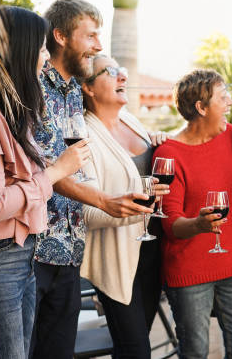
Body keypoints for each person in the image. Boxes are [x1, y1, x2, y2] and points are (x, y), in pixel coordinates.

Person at [31, 0, 150, 359]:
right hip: (34, 251)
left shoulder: (71, 93)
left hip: (69, 252)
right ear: (61, 36)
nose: (99, 45)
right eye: (91, 36)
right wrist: (105, 202)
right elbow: (44, 168)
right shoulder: (34, 87)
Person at [0, 1, 90, 359]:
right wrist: (57, 172)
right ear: (24, 49)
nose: (45, 58)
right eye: (41, 48)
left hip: (24, 251)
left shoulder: (9, 107)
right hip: (1, 257)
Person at [154, 69, 232, 358]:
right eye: (223, 98)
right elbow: (170, 224)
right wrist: (198, 224)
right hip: (189, 272)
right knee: (195, 351)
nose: (230, 105)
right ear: (201, 107)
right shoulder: (169, 154)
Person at [80, 55, 170, 358]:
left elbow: (144, 176)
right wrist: (136, 205)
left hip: (152, 253)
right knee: (135, 351)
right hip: (118, 260)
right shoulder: (84, 136)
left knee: (134, 345)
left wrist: (160, 143)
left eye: (122, 71)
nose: (123, 77)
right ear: (88, 87)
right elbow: (85, 210)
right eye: (111, 72)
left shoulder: (132, 121)